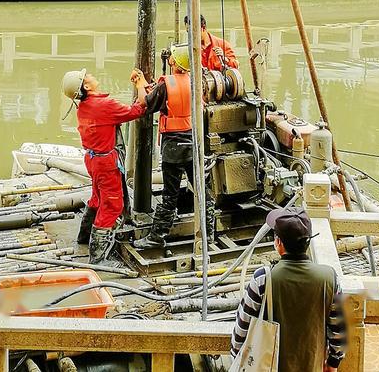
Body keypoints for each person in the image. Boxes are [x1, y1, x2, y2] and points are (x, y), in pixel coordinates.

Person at [231, 206, 347, 372]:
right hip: (312, 365)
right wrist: (333, 363)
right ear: (308, 242)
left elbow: (241, 331)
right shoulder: (329, 278)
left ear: (279, 243)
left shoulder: (263, 279)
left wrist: (237, 358)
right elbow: (338, 330)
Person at [132, 43, 215, 250]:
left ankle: (157, 236)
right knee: (201, 190)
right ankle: (209, 234)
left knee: (170, 194)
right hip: (192, 142)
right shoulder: (197, 81)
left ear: (172, 62)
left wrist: (140, 83)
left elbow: (146, 103)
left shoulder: (166, 84)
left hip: (173, 147)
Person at [62, 68, 147, 264]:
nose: (91, 75)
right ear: (86, 85)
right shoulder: (104, 105)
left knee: (97, 198)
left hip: (93, 160)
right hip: (106, 163)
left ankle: (84, 238)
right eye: (87, 76)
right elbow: (138, 109)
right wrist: (141, 85)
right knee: (111, 206)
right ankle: (98, 258)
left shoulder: (84, 106)